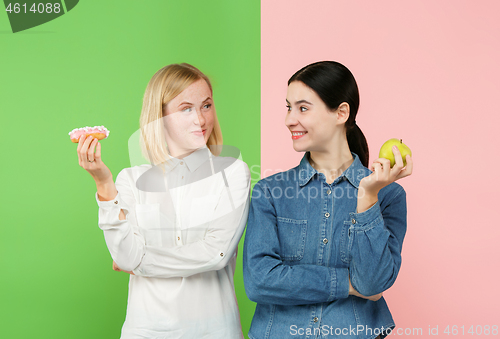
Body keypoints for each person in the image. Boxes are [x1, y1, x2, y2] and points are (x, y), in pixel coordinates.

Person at [77, 63, 251, 338]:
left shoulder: (233, 173)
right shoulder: (130, 180)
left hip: (215, 331)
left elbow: (216, 254)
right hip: (146, 331)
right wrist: (103, 184)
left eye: (206, 105)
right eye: (186, 109)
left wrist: (140, 261)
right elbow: (124, 255)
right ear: (160, 116)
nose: (201, 120)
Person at [243, 61, 413, 339]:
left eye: (303, 108)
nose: (289, 119)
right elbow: (259, 282)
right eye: (288, 107)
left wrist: (368, 197)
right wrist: (346, 283)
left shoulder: (388, 195)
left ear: (341, 113)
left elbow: (372, 283)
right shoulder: (269, 192)